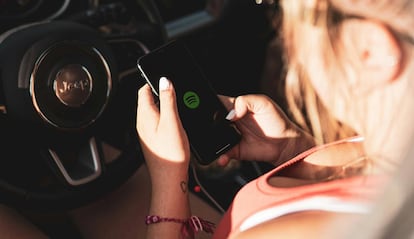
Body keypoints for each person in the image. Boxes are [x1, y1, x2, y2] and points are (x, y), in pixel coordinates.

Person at [136, 0, 414, 238]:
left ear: (369, 51)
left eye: (290, 15)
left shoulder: (284, 233)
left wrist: (168, 179)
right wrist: (293, 151)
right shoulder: (385, 147)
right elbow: (355, 183)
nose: (284, 41)